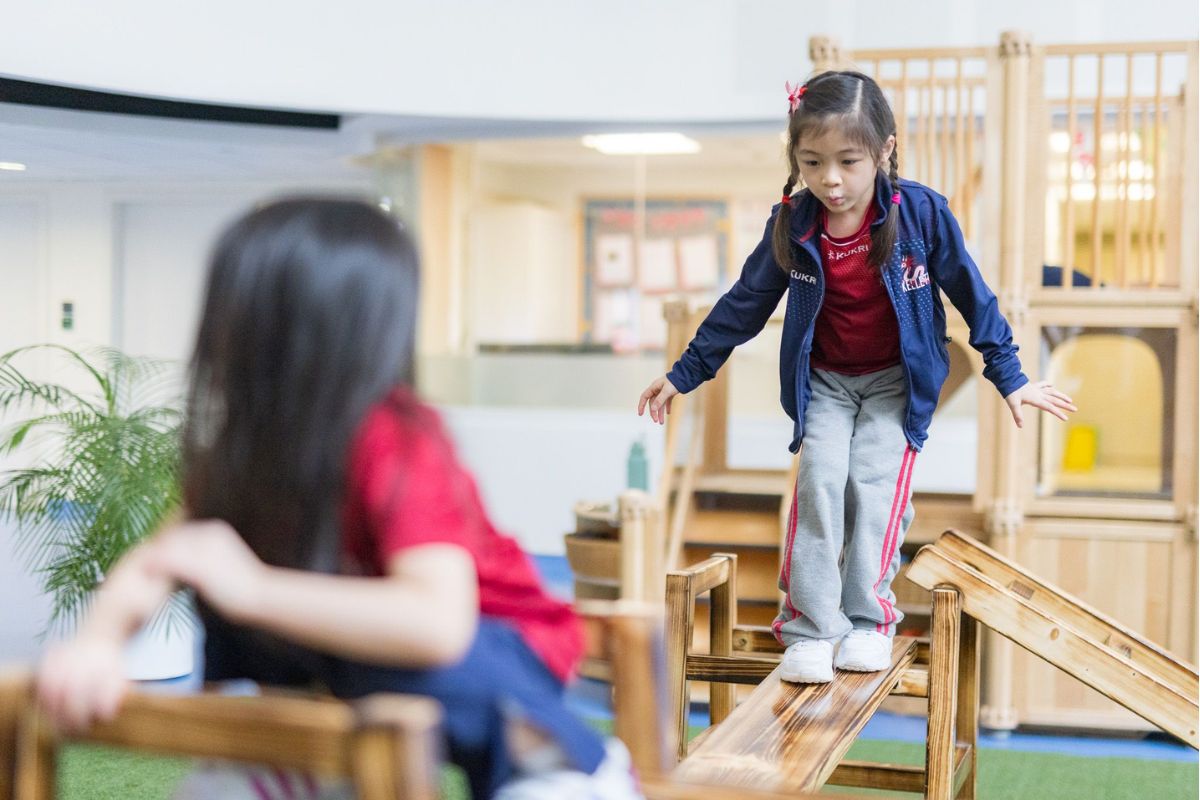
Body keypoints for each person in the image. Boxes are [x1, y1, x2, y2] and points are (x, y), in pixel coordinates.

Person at [36, 198, 640, 800]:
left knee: (296, 619)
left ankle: (569, 768)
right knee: (235, 606)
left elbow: (437, 625)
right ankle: (298, 766)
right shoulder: (243, 448)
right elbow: (164, 559)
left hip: (494, 653)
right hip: (339, 660)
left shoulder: (395, 438)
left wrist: (251, 588)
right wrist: (96, 644)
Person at [638, 72, 1076, 684]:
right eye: (812, 162)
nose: (831, 180)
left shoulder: (920, 213)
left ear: (884, 151)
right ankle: (812, 631)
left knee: (873, 489)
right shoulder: (793, 222)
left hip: (896, 382)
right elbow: (746, 301)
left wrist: (1010, 375)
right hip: (825, 382)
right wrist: (685, 373)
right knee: (819, 482)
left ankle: (868, 622)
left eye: (848, 161)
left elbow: (972, 294)